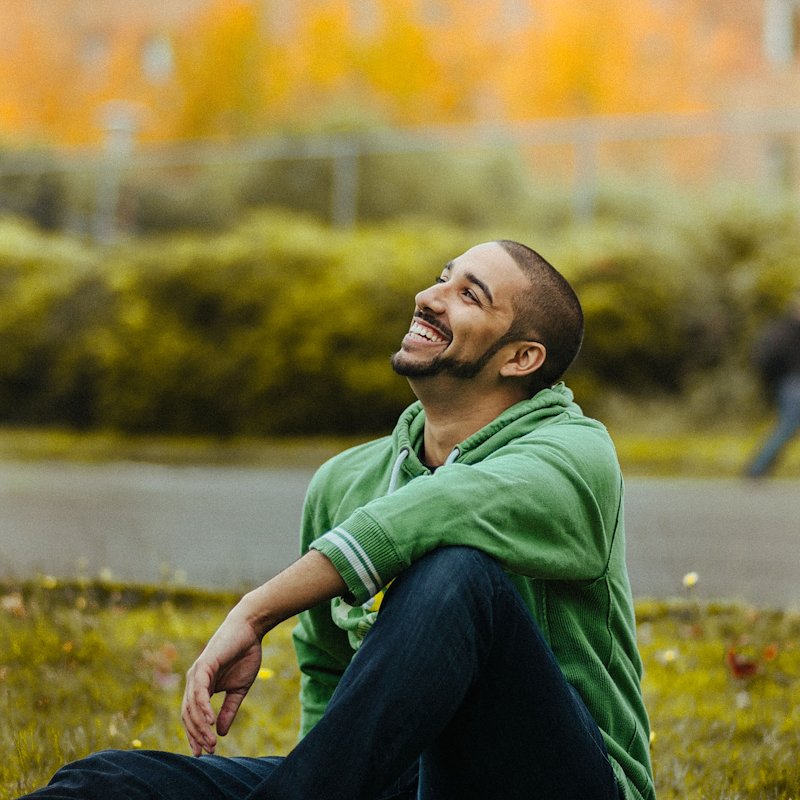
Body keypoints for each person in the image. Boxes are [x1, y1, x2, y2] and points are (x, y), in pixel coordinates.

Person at [20, 240, 655, 800]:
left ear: (520, 358)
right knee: (107, 783)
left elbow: (440, 511)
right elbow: (329, 677)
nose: (428, 297)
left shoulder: (575, 456)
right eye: (442, 276)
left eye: (469, 294)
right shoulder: (344, 483)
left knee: (456, 574)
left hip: (559, 777)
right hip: (406, 781)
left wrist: (257, 609)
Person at [745, 289, 800, 478]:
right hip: (792, 383)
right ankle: (757, 467)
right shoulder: (786, 329)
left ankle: (758, 467)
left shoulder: (784, 328)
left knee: (787, 425)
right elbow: (771, 357)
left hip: (789, 383)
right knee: (788, 426)